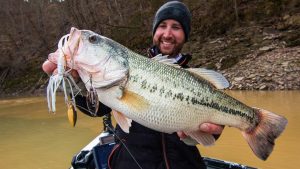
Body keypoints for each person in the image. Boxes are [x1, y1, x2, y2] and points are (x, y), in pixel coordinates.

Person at [42, 1, 224, 169]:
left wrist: (210, 132)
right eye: (162, 26)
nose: (167, 34)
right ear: (154, 32)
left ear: (185, 35)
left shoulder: (200, 83)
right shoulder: (121, 70)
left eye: (176, 27)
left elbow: (210, 133)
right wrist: (76, 84)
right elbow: (96, 109)